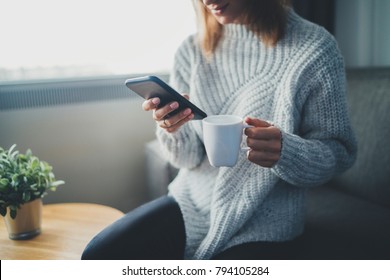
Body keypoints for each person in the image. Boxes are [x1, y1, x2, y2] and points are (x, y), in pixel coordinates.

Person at [82, 0, 357, 260]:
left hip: (266, 222)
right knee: (99, 255)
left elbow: (338, 153)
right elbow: (187, 159)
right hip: (193, 202)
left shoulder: (315, 49)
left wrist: (287, 152)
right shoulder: (192, 50)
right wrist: (172, 129)